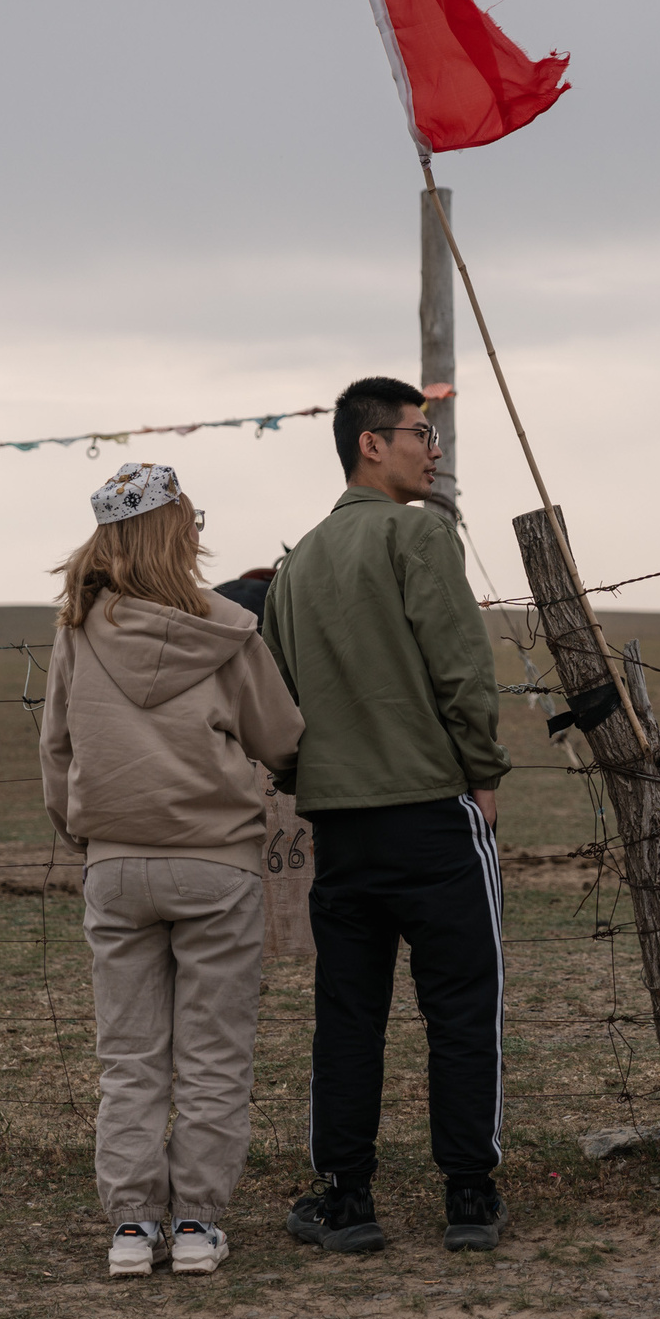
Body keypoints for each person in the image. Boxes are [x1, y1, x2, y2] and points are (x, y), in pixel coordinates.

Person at [261, 376, 511, 1254]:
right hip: (433, 816)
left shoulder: (296, 564)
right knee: (463, 1003)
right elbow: (461, 668)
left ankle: (345, 1197)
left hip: (339, 824)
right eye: (420, 430)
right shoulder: (421, 532)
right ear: (372, 442)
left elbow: (280, 701)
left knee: (349, 1014)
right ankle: (470, 1196)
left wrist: (315, 777)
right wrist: (482, 773)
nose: (432, 446)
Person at [40, 463, 304, 1279]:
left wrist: (90, 834)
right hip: (216, 866)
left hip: (115, 867)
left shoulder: (75, 629)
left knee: (129, 1055)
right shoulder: (230, 629)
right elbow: (282, 738)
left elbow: (56, 748)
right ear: (182, 527)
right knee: (214, 1052)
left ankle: (130, 1227)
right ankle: (194, 1221)